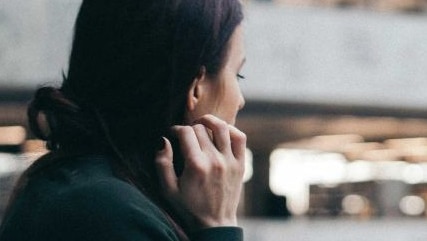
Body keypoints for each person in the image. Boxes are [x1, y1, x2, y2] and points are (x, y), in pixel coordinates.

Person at [0, 0, 247, 240]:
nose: (240, 101)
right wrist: (219, 228)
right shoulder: (109, 213)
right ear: (196, 88)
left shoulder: (87, 191)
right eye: (238, 75)